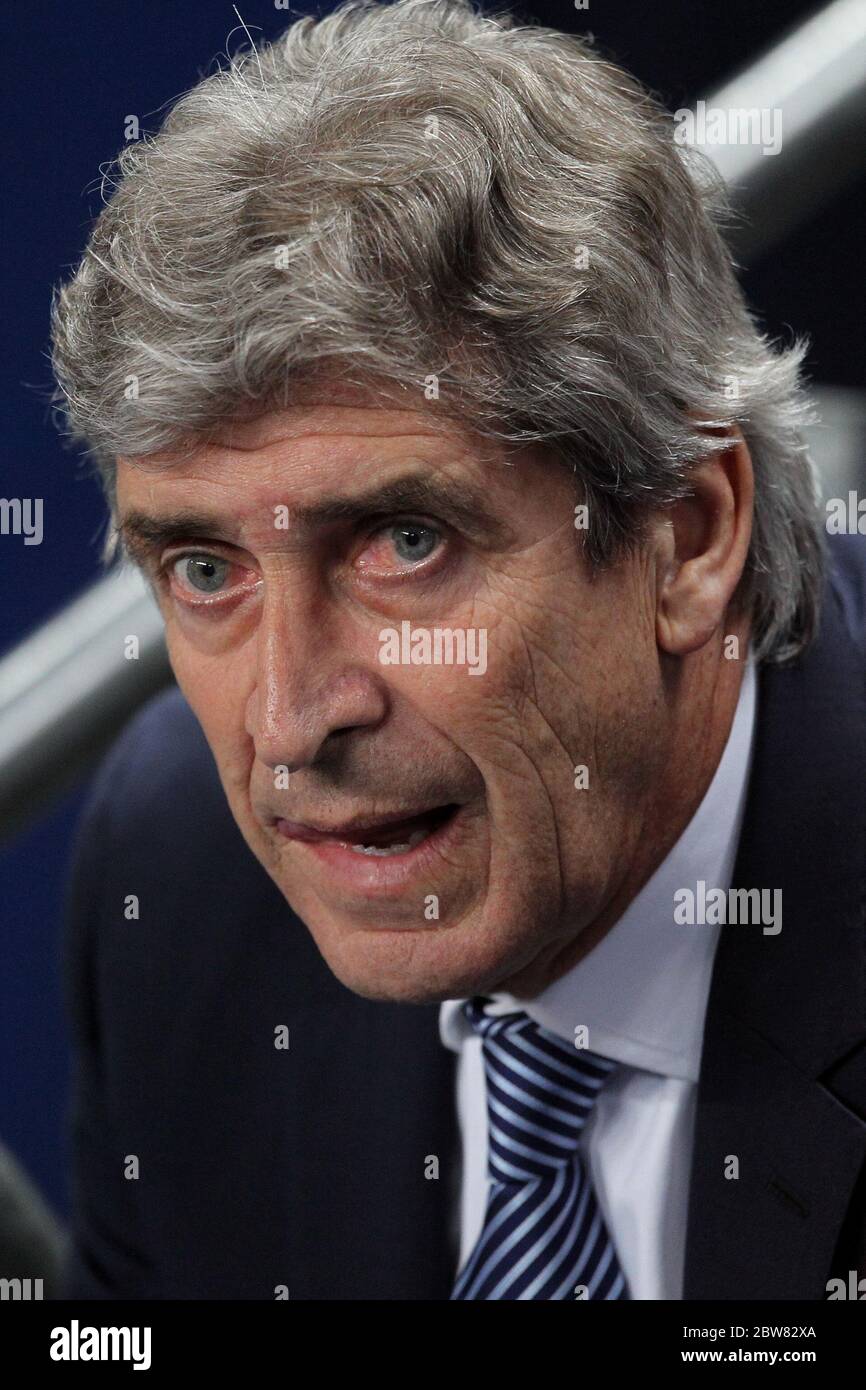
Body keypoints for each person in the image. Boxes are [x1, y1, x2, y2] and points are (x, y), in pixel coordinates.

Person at [50, 0, 866, 1300]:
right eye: (205, 570)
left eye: (403, 542)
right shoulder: (180, 882)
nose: (288, 719)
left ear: (689, 534)